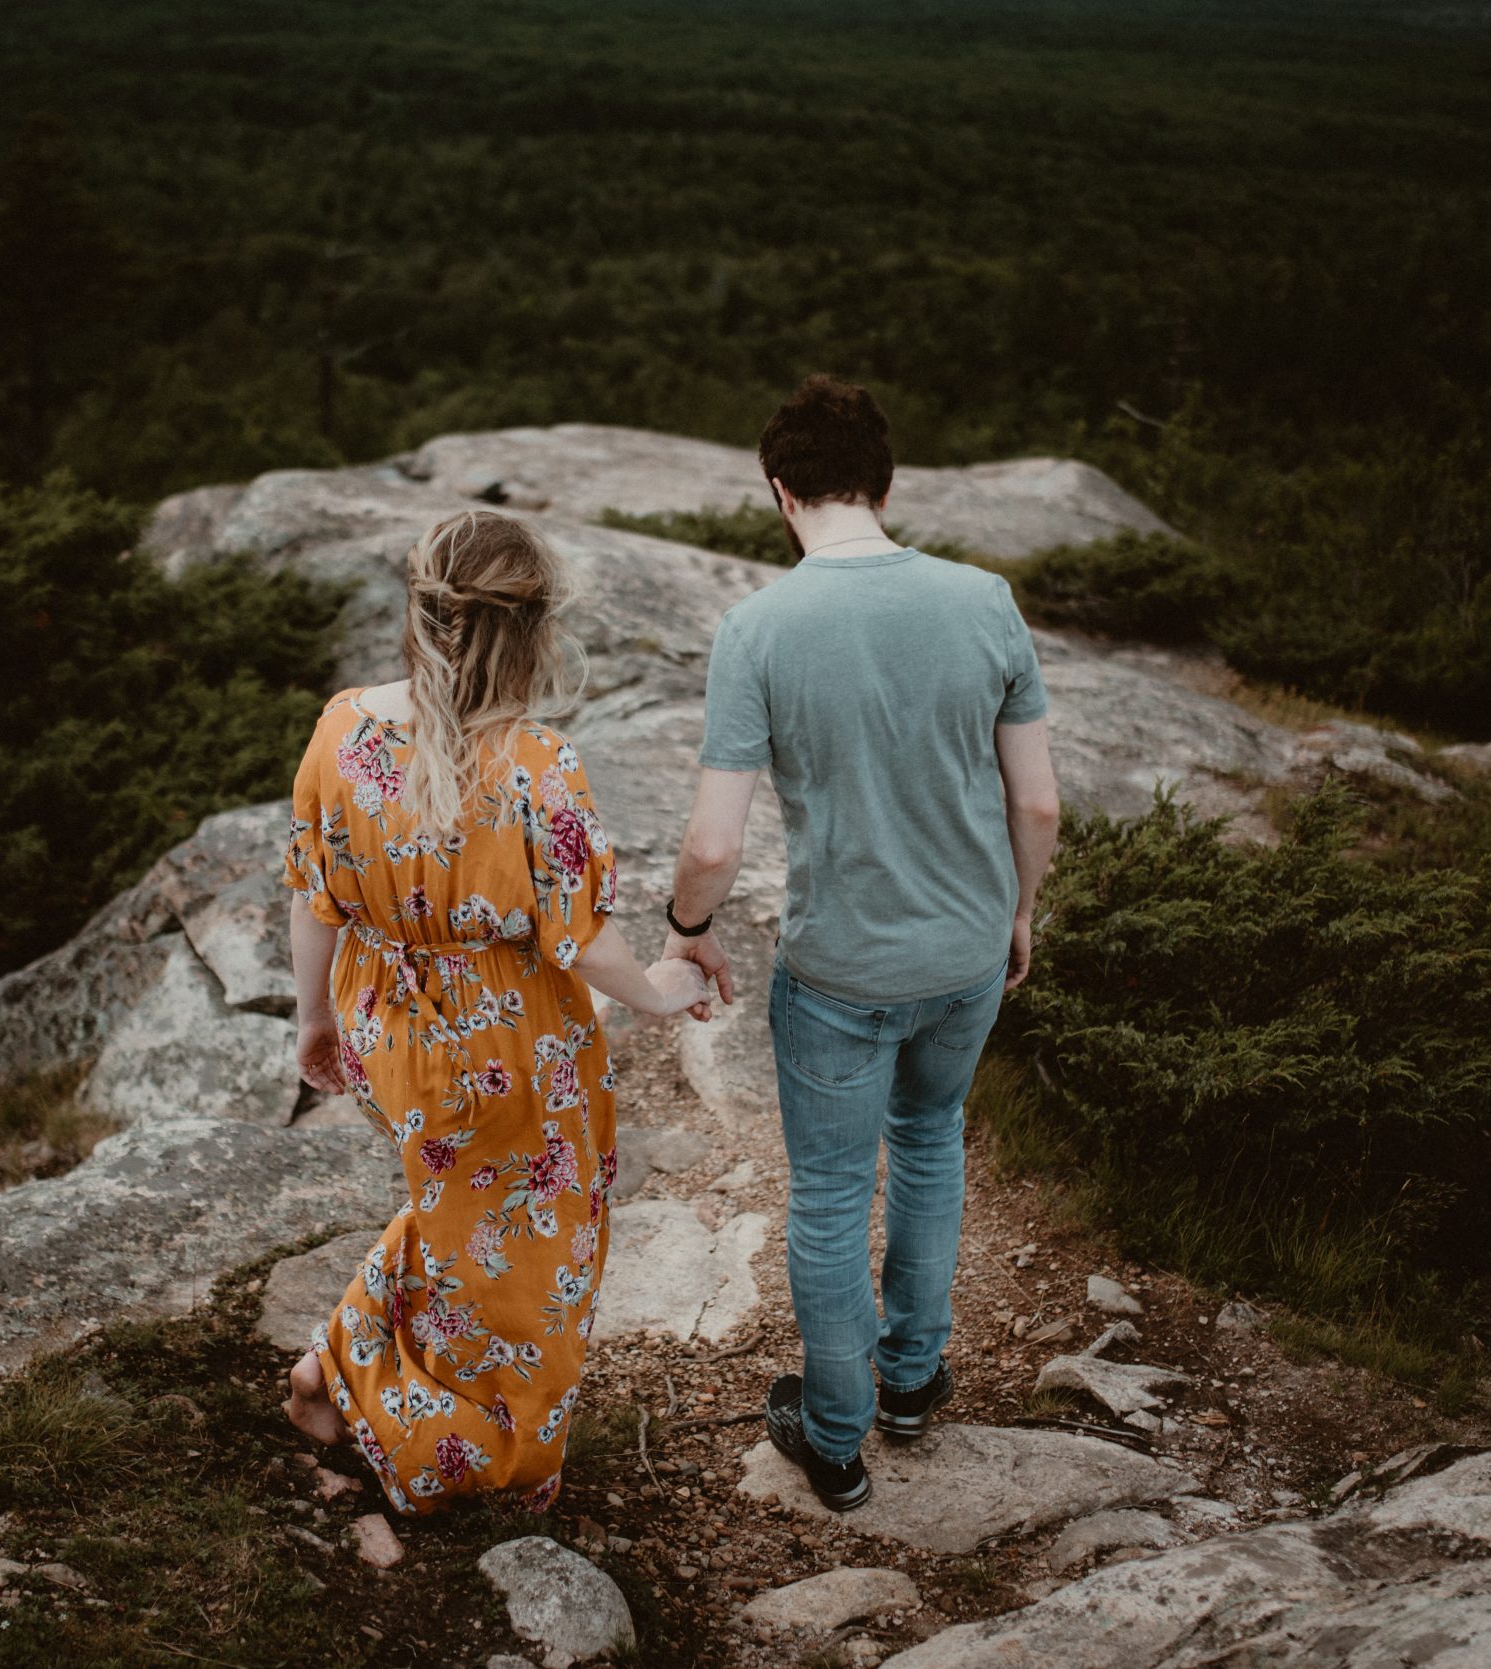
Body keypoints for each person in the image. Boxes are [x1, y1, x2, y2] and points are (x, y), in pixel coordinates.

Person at [660, 375, 1061, 1510]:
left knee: (834, 1194)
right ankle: (912, 1384)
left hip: (837, 970)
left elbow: (710, 839)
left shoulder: (759, 628)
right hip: (966, 956)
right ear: (884, 483)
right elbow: (1036, 807)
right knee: (931, 1139)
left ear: (780, 493)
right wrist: (1017, 912)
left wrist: (688, 930)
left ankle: (835, 1441)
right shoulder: (986, 600)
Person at [277, 508, 712, 1516]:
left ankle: (330, 1364)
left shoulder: (341, 726)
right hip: (512, 1046)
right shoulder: (534, 762)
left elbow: (314, 897)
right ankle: (468, 1450)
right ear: (533, 629)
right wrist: (659, 992)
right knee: (539, 1241)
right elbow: (578, 935)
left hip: (389, 1025)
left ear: (422, 612)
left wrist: (314, 1020)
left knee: (451, 1200)